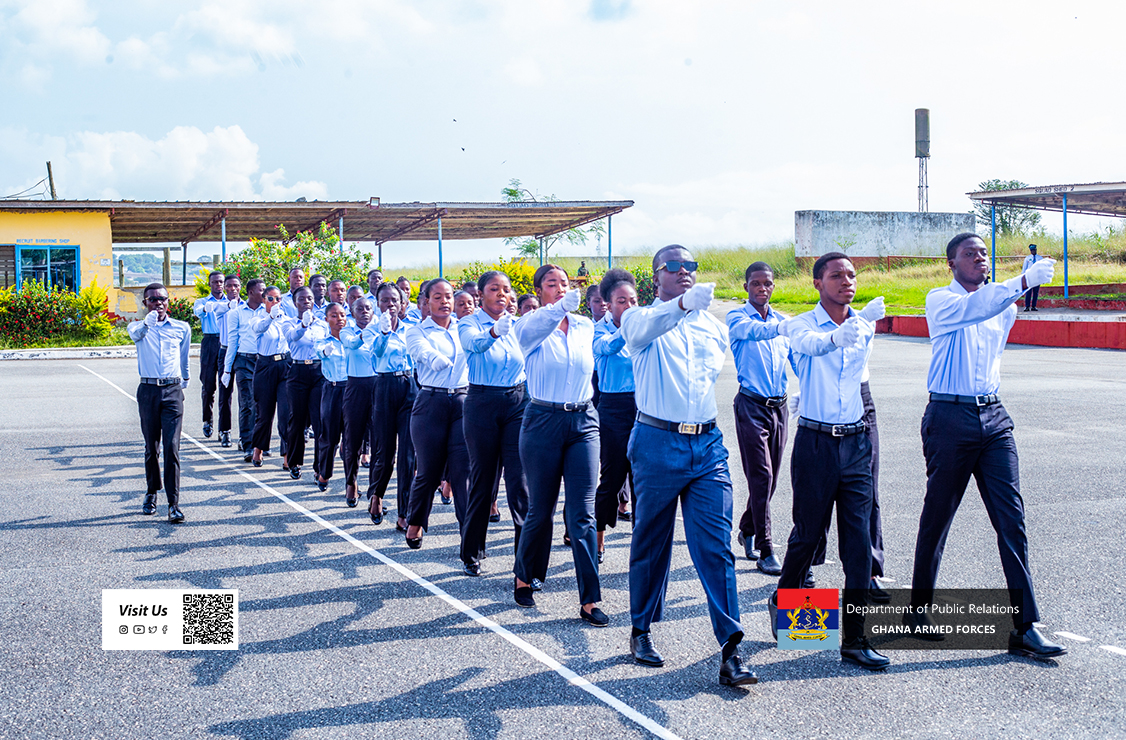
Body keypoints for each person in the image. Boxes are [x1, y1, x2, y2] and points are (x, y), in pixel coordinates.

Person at [907, 232, 1066, 661]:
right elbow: (976, 308)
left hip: (994, 418)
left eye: (983, 253)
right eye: (969, 254)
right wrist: (1023, 279)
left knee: (1011, 521)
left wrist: (1015, 289)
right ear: (951, 264)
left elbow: (994, 306)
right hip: (948, 417)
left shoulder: (1005, 306)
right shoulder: (941, 300)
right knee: (938, 515)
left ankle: (1024, 627)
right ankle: (918, 611)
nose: (979, 258)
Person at [620, 245, 756, 686]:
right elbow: (645, 329)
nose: (684, 273)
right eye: (673, 267)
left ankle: (732, 649)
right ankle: (641, 629)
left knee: (716, 548)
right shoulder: (639, 319)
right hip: (657, 441)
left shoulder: (712, 328)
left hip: (707, 445)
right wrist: (680, 306)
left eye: (690, 266)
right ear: (656, 276)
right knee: (651, 541)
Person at [769, 251, 887, 671]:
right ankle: (788, 600)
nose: (846, 281)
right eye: (836, 275)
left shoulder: (865, 324)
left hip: (855, 443)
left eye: (851, 275)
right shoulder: (798, 324)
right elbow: (811, 346)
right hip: (816, 444)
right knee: (807, 534)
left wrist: (859, 326)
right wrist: (841, 335)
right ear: (817, 283)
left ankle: (855, 640)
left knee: (857, 542)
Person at [511, 265, 605, 626]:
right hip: (543, 420)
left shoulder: (584, 325)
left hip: (583, 420)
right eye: (552, 284)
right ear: (539, 290)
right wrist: (556, 308)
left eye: (565, 284)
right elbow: (532, 331)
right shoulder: (530, 324)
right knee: (541, 509)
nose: (561, 289)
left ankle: (590, 599)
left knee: (582, 513)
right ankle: (525, 576)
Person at [726, 262, 797, 576]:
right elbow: (752, 332)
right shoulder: (737, 318)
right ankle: (766, 547)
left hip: (778, 408)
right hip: (751, 406)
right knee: (761, 476)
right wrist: (782, 328)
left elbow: (800, 360)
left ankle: (746, 528)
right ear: (746, 287)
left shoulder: (784, 322)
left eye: (767, 283)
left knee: (771, 480)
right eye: (756, 283)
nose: (762, 289)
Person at [458, 271, 529, 577]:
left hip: (517, 401)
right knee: (483, 479)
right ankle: (471, 551)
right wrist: (494, 333)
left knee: (520, 481)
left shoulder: (517, 324)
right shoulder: (469, 322)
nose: (501, 294)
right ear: (481, 295)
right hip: (483, 402)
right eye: (494, 289)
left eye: (506, 290)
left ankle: (525, 560)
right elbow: (473, 345)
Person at [404, 279, 470, 548]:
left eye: (448, 297)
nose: (444, 302)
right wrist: (433, 358)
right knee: (428, 472)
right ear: (426, 302)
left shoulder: (465, 329)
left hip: (464, 402)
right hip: (431, 401)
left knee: (462, 473)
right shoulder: (417, 331)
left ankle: (470, 538)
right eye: (437, 297)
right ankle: (416, 521)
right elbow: (419, 350)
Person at [128, 283, 191, 524]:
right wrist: (148, 323)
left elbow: (183, 355)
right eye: (153, 300)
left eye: (162, 299)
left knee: (172, 448)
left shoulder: (180, 328)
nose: (158, 303)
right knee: (151, 447)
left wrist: (183, 381)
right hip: (148, 390)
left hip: (172, 390)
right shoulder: (138, 327)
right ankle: (151, 492)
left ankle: (174, 504)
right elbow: (135, 335)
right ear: (145, 304)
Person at [591, 269, 638, 562]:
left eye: (633, 300)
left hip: (644, 406)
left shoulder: (644, 326)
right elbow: (606, 348)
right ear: (609, 304)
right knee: (612, 476)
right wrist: (628, 329)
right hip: (613, 407)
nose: (629, 307)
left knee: (642, 479)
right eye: (622, 301)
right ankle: (596, 537)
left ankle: (642, 540)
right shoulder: (601, 330)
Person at [369, 283, 417, 526]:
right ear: (377, 304)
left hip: (410, 386)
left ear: (402, 303)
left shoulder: (412, 329)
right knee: (385, 452)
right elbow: (375, 353)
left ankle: (404, 512)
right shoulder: (371, 329)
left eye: (394, 300)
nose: (390, 305)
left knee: (409, 453)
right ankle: (376, 494)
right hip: (384, 386)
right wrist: (385, 334)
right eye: (385, 300)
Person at [284, 286, 327, 480]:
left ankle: (319, 466)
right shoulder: (288, 322)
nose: (306, 301)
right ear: (295, 302)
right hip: (298, 370)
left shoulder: (322, 324)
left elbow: (327, 342)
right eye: (302, 299)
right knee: (297, 419)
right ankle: (294, 462)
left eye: (309, 298)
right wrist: (303, 325)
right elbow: (292, 337)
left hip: (318, 371)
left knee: (319, 420)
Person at [222, 278, 267, 461]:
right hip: (244, 361)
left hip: (265, 362)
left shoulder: (269, 311)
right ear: (250, 292)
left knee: (263, 406)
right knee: (247, 403)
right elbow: (232, 341)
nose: (265, 294)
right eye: (261, 290)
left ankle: (260, 444)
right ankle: (248, 443)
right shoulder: (237, 313)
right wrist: (227, 369)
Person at [249, 286, 292, 468]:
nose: (275, 302)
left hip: (286, 365)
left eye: (278, 299)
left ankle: (287, 455)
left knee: (286, 413)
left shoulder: (288, 320)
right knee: (264, 413)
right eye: (271, 299)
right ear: (264, 300)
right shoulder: (257, 318)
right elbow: (259, 329)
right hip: (266, 365)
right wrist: (271, 317)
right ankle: (258, 448)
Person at [340, 297, 377, 507]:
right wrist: (368, 334)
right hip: (355, 386)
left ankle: (375, 491)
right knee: (353, 438)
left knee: (379, 440)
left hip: (378, 386)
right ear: (352, 312)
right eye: (360, 309)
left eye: (368, 308)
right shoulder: (348, 331)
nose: (364, 311)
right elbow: (353, 345)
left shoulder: (379, 330)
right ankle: (351, 482)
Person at [313, 303, 349, 492]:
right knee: (329, 435)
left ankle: (351, 482)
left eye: (342, 315)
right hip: (333, 389)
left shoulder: (351, 339)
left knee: (351, 438)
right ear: (326, 319)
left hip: (352, 389)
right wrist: (326, 350)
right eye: (334, 316)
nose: (339, 319)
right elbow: (320, 351)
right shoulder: (323, 340)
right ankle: (324, 472)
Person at [192, 270, 226, 439]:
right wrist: (206, 308)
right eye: (215, 282)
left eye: (221, 282)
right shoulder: (203, 301)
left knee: (225, 387)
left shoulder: (231, 302)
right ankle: (208, 420)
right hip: (210, 342)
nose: (218, 285)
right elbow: (198, 311)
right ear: (210, 284)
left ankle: (223, 428)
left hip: (227, 342)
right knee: (208, 385)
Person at [212, 275, 243, 448]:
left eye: (236, 286)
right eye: (229, 286)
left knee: (246, 396)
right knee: (225, 394)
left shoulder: (246, 306)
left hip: (243, 353)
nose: (232, 289)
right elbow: (217, 310)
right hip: (225, 350)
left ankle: (245, 435)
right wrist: (228, 306)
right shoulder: (220, 306)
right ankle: (225, 431)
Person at [1022, 244, 1042, 312]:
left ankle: (1034, 306)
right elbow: (1024, 268)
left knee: (1035, 292)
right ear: (1030, 251)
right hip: (1029, 277)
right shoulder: (1027, 258)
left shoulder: (1040, 258)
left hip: (1037, 277)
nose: (1033, 251)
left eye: (1034, 250)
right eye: (1032, 250)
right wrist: (1023, 277)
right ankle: (1027, 306)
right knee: (1028, 292)